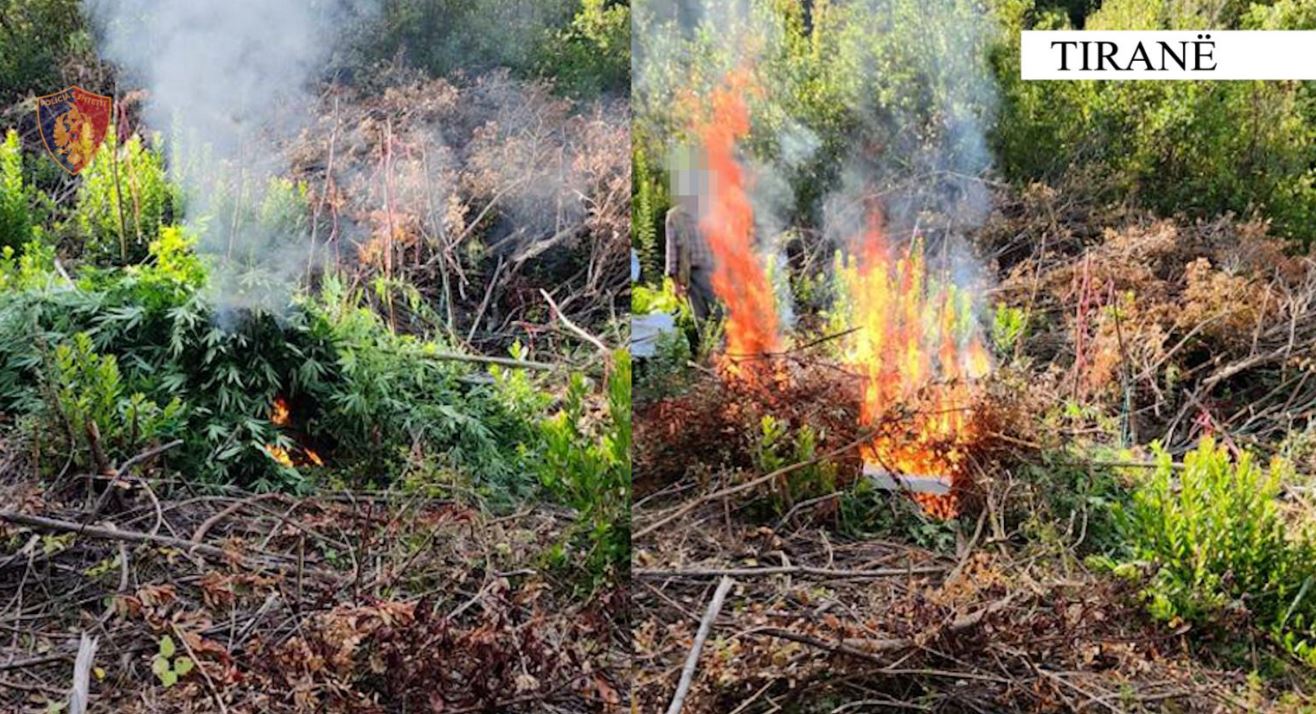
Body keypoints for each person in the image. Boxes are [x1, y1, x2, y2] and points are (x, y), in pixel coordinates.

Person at [664, 196, 717, 320]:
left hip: (714, 272)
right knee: (700, 318)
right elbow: (671, 251)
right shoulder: (675, 217)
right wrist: (675, 283)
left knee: (722, 316)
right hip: (691, 275)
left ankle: (724, 339)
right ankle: (707, 339)